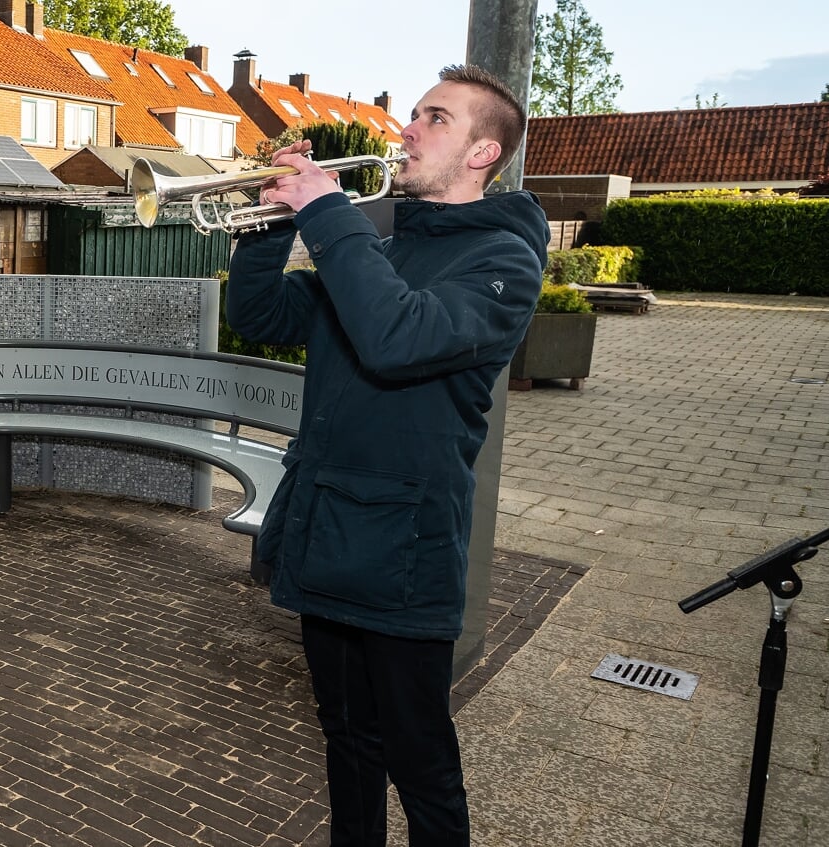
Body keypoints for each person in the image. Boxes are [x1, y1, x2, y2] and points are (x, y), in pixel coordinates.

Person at [226, 64, 549, 846]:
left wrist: (330, 213)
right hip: (327, 526)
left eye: (433, 118)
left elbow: (396, 336)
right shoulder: (381, 248)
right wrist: (273, 224)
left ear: (482, 153)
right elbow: (259, 311)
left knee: (421, 760)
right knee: (345, 736)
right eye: (412, 113)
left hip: (405, 549)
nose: (406, 128)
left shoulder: (502, 262)